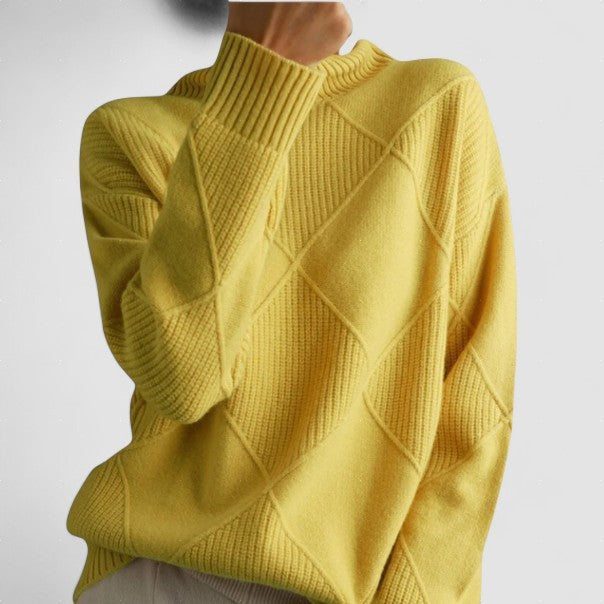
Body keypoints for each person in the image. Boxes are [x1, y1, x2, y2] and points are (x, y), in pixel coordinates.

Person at [66, 1, 517, 603]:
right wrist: (260, 78)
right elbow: (183, 379)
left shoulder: (438, 105)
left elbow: (474, 411)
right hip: (161, 576)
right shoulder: (130, 134)